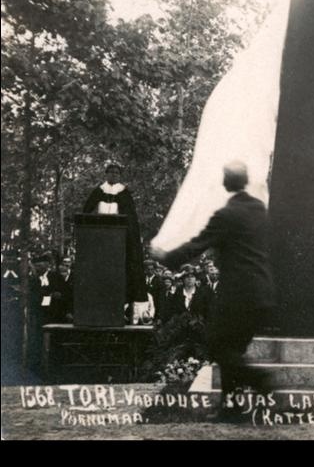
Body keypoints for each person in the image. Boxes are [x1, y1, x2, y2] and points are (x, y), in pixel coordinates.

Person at [151, 161, 276, 415]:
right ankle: (231, 407)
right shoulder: (260, 212)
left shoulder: (226, 215)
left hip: (237, 294)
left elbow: (196, 246)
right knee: (234, 349)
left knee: (217, 344)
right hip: (262, 292)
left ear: (228, 181)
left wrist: (164, 256)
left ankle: (258, 380)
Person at [83, 161, 147, 308]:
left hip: (119, 237)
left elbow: (131, 217)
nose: (113, 175)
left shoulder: (124, 193)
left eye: (116, 173)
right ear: (106, 174)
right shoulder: (98, 191)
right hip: (100, 235)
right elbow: (86, 210)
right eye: (110, 172)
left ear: (120, 176)